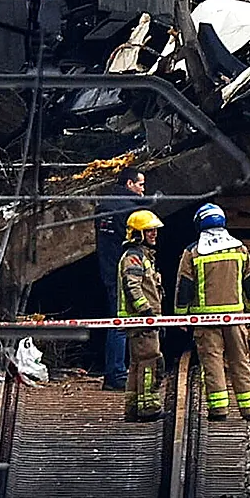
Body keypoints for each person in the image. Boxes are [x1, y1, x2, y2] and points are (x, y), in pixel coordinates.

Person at [176, 203, 250, 421]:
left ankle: (219, 410)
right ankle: (249, 409)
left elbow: (184, 286)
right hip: (235, 316)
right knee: (240, 360)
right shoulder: (239, 248)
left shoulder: (193, 252)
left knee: (212, 362)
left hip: (205, 319)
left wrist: (181, 315)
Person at [96, 167, 148, 390]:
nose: (143, 189)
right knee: (123, 323)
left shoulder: (103, 207)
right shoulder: (131, 210)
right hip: (126, 273)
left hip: (107, 269)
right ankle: (117, 374)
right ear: (129, 184)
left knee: (115, 321)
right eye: (140, 185)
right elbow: (139, 241)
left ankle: (115, 371)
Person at [117, 210, 165, 421]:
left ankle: (133, 408)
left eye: (154, 230)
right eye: (149, 230)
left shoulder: (141, 256)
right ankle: (149, 408)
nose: (154, 233)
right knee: (150, 362)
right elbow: (132, 286)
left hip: (140, 321)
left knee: (137, 364)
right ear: (137, 233)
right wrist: (146, 311)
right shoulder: (134, 257)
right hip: (142, 320)